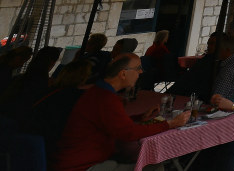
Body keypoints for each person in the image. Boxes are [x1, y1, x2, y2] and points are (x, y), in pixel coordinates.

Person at [54, 54, 190, 171]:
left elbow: (113, 123)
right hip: (83, 166)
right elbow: (129, 133)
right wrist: (170, 124)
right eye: (138, 68)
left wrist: (139, 118)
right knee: (154, 165)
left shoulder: (99, 92)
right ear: (123, 74)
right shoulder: (105, 98)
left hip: (81, 160)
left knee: (140, 157)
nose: (141, 72)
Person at [26, 59, 93, 163]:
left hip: (33, 141)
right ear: (83, 77)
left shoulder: (49, 91)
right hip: (53, 148)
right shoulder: (77, 97)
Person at [0, 46, 62, 116]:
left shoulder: (20, 77)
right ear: (52, 62)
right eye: (23, 60)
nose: (21, 64)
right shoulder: (5, 72)